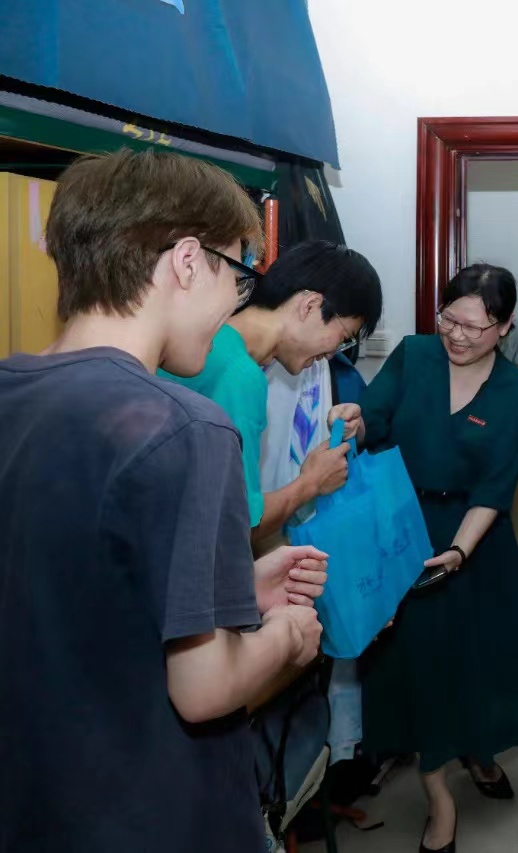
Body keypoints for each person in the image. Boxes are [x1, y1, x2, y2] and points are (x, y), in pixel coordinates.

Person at [0, 149, 325, 852]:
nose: (234, 306)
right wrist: (286, 636)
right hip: (152, 811)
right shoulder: (186, 427)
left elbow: (71, 594)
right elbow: (203, 687)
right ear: (186, 261)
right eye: (237, 276)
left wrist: (234, 588)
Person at [358, 263, 518, 853]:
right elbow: (372, 421)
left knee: (476, 663)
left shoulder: (516, 393)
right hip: (403, 530)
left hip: (474, 541)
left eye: (474, 327)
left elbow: (494, 489)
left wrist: (457, 551)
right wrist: (350, 422)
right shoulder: (414, 356)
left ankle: (477, 751)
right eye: (449, 319)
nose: (456, 335)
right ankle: (440, 798)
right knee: (420, 667)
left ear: (504, 328)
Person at [161, 240, 383, 551]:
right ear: (309, 306)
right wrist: (311, 483)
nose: (334, 353)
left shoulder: (203, 344)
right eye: (343, 337)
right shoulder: (239, 374)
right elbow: (237, 526)